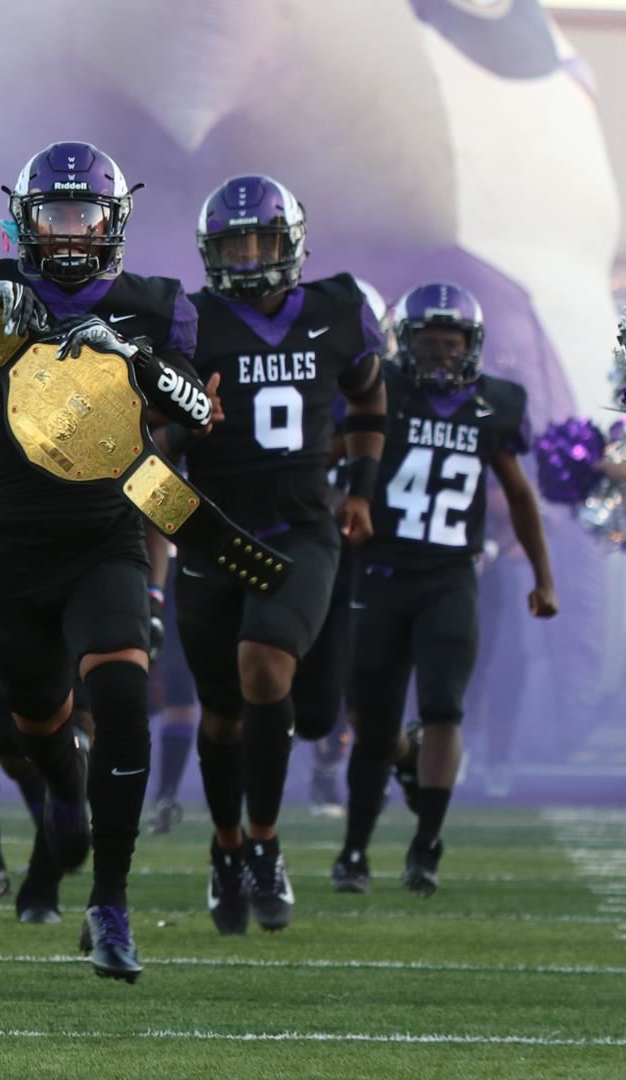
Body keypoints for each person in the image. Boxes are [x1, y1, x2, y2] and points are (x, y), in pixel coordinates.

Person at [0, 140, 218, 980]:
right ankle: (66, 797)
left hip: (106, 534)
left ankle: (110, 906)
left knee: (125, 702)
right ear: (25, 223)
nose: (68, 234)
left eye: (83, 216)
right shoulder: (0, 301)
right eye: (54, 216)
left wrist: (126, 357)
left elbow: (198, 412)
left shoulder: (153, 304)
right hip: (14, 547)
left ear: (112, 222)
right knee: (36, 731)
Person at [170, 175, 387, 934]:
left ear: (291, 242)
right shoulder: (188, 323)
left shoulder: (336, 311)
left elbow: (367, 397)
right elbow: (150, 436)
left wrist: (358, 487)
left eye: (263, 240)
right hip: (211, 528)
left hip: (300, 523)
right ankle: (227, 846)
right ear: (212, 252)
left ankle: (264, 843)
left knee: (264, 666)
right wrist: (189, 420)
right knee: (223, 713)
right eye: (237, 244)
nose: (252, 256)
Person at [332, 282, 556, 898]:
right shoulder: (382, 391)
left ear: (471, 345)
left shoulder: (495, 405)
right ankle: (358, 837)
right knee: (373, 727)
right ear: (404, 344)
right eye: (427, 343)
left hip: (451, 577)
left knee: (442, 709)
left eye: (449, 343)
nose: (437, 355)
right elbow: (333, 459)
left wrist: (543, 577)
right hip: (378, 573)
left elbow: (518, 494)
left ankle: (424, 844)